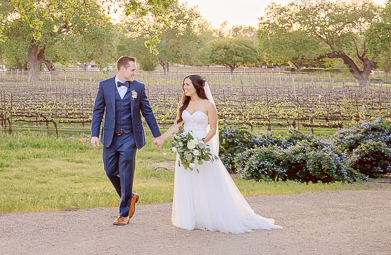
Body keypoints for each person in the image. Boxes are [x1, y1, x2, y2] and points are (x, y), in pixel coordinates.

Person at [155, 74, 281, 233]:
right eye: (183, 85)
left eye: (187, 84)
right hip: (185, 149)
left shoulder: (208, 105)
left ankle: (211, 216)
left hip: (203, 148)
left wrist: (200, 144)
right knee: (187, 181)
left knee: (207, 181)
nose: (184, 87)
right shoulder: (183, 105)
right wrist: (161, 138)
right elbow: (176, 126)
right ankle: (190, 218)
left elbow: (213, 129)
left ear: (197, 86)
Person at [90, 56, 162, 226]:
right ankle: (130, 197)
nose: (135, 72)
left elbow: (148, 112)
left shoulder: (139, 87)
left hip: (130, 137)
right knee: (109, 170)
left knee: (126, 173)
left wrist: (157, 135)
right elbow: (98, 111)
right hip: (110, 137)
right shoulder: (105, 86)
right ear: (122, 69)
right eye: (132, 69)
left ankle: (123, 214)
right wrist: (94, 134)